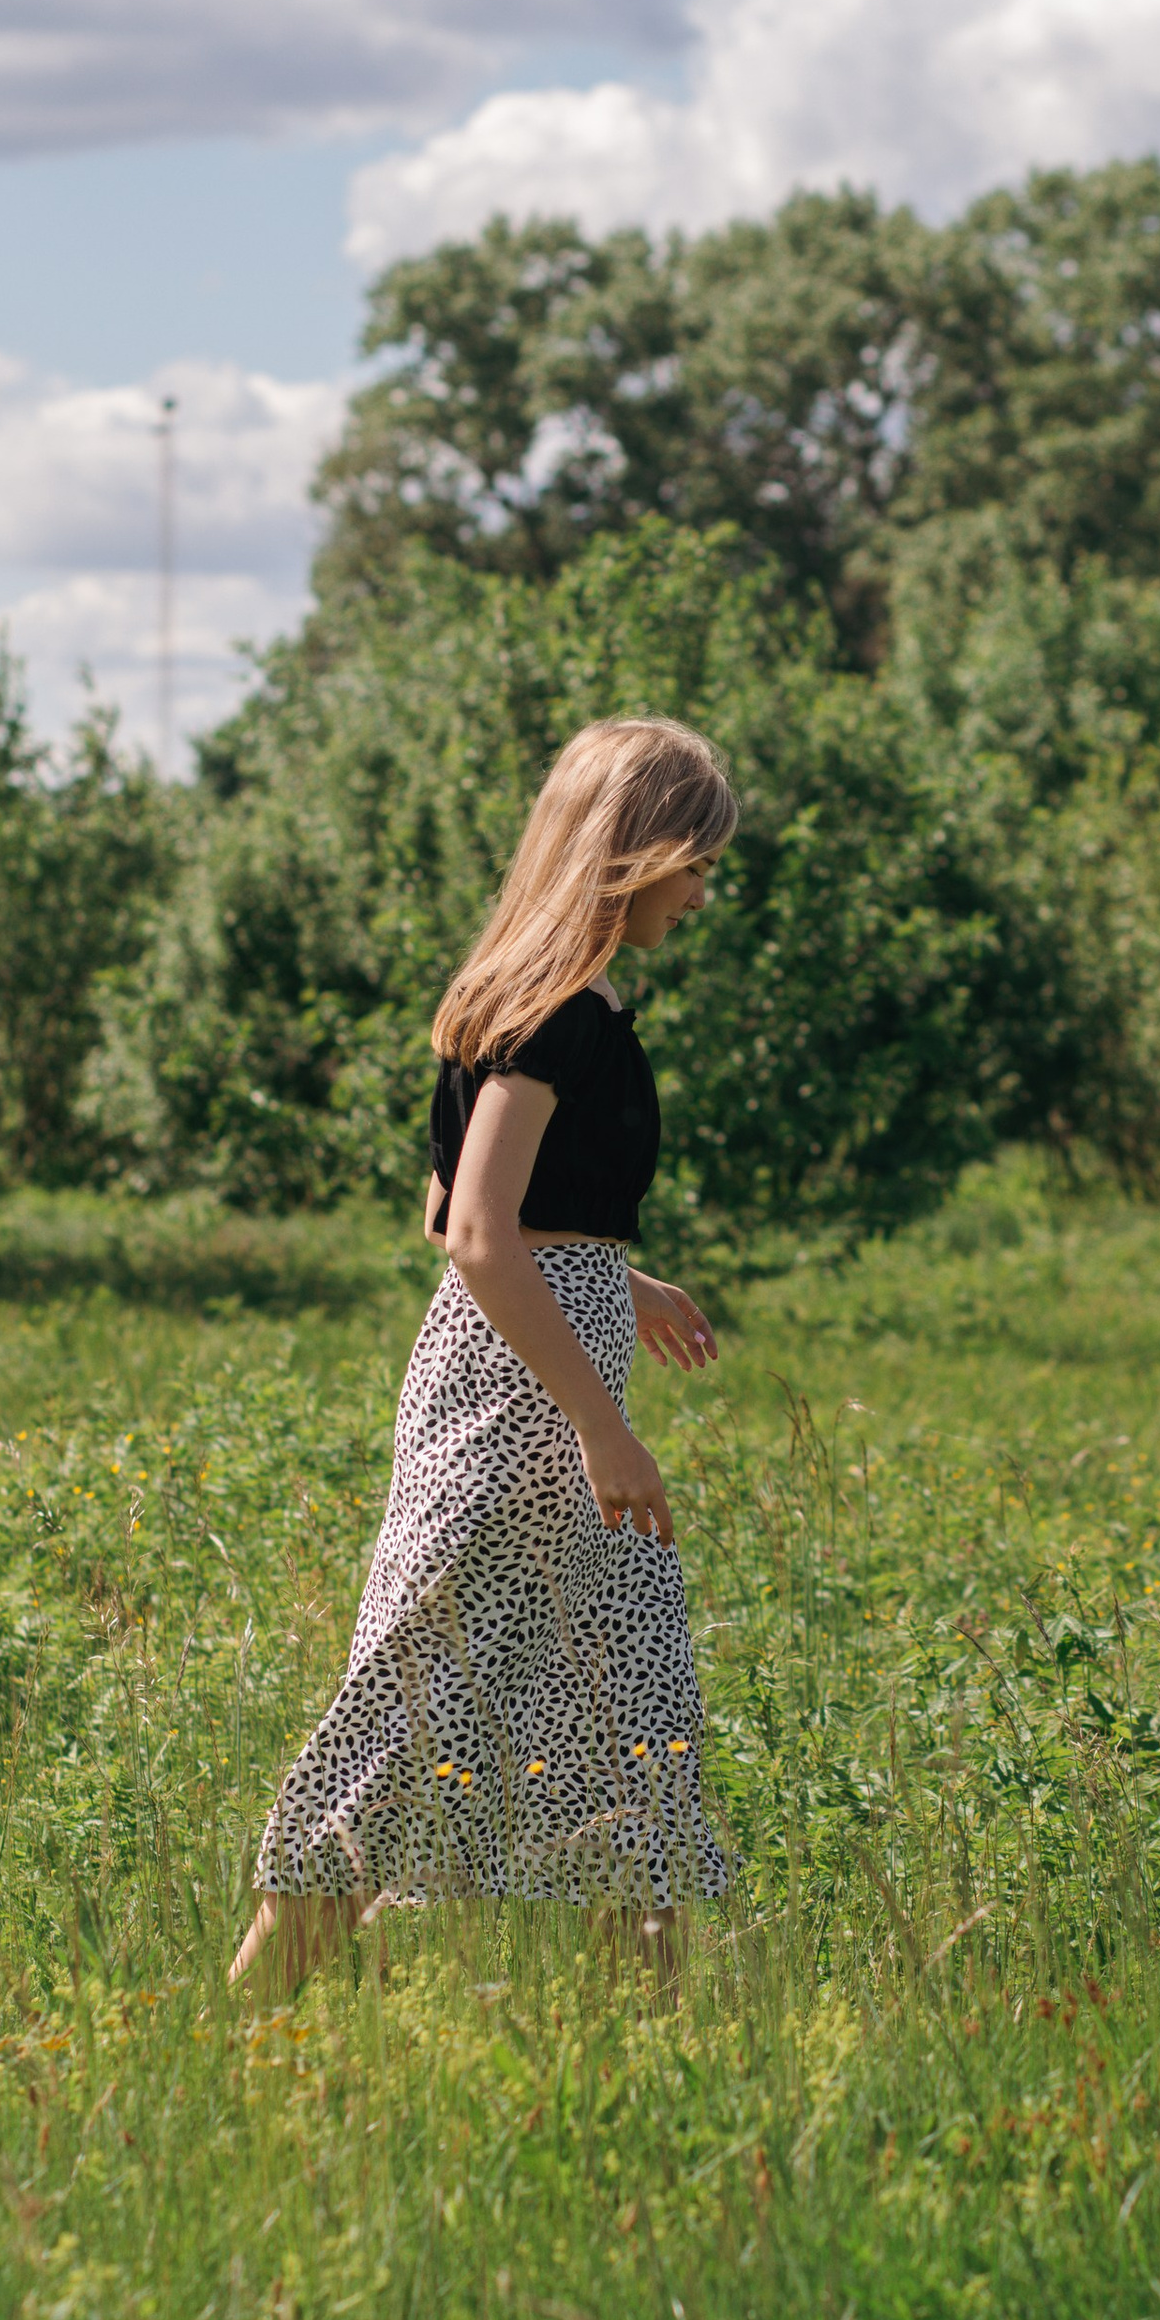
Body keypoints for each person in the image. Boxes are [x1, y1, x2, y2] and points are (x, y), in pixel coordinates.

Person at [231, 716, 738, 1994]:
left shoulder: (523, 1000)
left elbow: (460, 1211)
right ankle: (249, 2010)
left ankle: (667, 2021)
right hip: (520, 1401)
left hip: (531, 1362)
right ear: (631, 851)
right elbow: (473, 1236)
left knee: (627, 1680)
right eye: (693, 862)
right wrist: (601, 1426)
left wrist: (616, 1280)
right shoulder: (557, 1015)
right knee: (423, 1692)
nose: (700, 891)